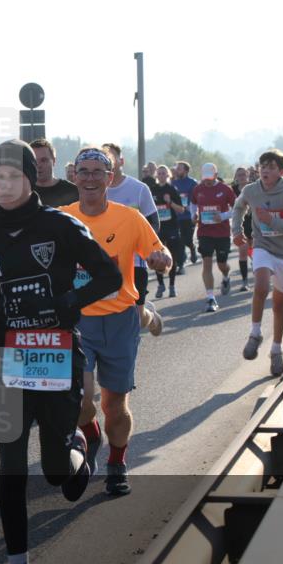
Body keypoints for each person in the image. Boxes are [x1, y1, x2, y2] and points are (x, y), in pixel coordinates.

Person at [0, 140, 122, 564]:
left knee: (54, 472)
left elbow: (108, 276)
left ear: (30, 177)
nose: (4, 185)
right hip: (8, 359)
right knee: (10, 471)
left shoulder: (61, 226)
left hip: (57, 356)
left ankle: (79, 448)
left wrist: (70, 302)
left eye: (13, 176)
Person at [61, 147, 172, 497]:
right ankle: (91, 435)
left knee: (114, 404)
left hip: (120, 320)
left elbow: (161, 253)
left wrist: (160, 260)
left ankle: (117, 462)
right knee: (79, 399)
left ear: (110, 178)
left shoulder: (129, 218)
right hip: (78, 321)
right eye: (84, 171)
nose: (90, 178)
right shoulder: (61, 218)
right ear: (74, 176)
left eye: (98, 172)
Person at [233, 149, 283, 376]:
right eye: (263, 166)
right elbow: (238, 207)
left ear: (281, 172)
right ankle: (255, 333)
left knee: (278, 304)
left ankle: (276, 350)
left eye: (271, 167)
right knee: (261, 285)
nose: (265, 171)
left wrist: (272, 221)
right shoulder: (251, 190)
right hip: (262, 246)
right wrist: (236, 230)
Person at [102, 143, 163, 335]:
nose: (108, 162)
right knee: (110, 315)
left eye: (112, 158)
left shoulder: (138, 188)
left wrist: (145, 246)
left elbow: (153, 222)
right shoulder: (96, 190)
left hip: (134, 261)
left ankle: (149, 316)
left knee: (136, 318)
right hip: (104, 262)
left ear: (121, 161)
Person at [192, 163, 237, 312]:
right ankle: (210, 298)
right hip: (204, 232)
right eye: (205, 178)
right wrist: (194, 214)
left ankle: (226, 276)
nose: (207, 181)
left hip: (222, 233)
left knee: (222, 264)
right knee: (207, 263)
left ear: (216, 175)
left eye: (210, 178)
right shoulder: (198, 189)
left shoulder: (225, 189)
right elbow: (193, 204)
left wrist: (223, 216)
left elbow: (237, 208)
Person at [151, 165, 185, 298]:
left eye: (163, 173)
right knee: (157, 256)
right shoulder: (152, 190)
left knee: (171, 256)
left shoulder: (172, 189)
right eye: (159, 173)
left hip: (171, 227)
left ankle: (172, 285)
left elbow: (181, 210)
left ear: (168, 175)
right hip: (157, 228)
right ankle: (160, 284)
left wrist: (170, 202)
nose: (161, 175)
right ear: (156, 175)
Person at [29, 138, 79, 207]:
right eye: (34, 161)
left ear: (54, 161)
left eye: (43, 160)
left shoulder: (73, 191)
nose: (38, 165)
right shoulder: (22, 194)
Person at [172, 161, 199, 272]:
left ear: (186, 171)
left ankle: (192, 248)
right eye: (177, 168)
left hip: (188, 216)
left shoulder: (192, 183)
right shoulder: (173, 183)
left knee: (187, 239)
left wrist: (190, 207)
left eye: (179, 168)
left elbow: (196, 199)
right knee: (179, 241)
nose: (177, 170)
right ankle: (181, 265)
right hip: (177, 216)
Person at [231, 167, 254, 291]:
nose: (241, 177)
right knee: (243, 250)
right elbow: (230, 206)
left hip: (254, 222)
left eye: (243, 174)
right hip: (240, 223)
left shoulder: (253, 187)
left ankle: (257, 266)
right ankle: (245, 282)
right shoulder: (232, 190)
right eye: (239, 175)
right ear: (236, 177)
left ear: (248, 175)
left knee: (254, 249)